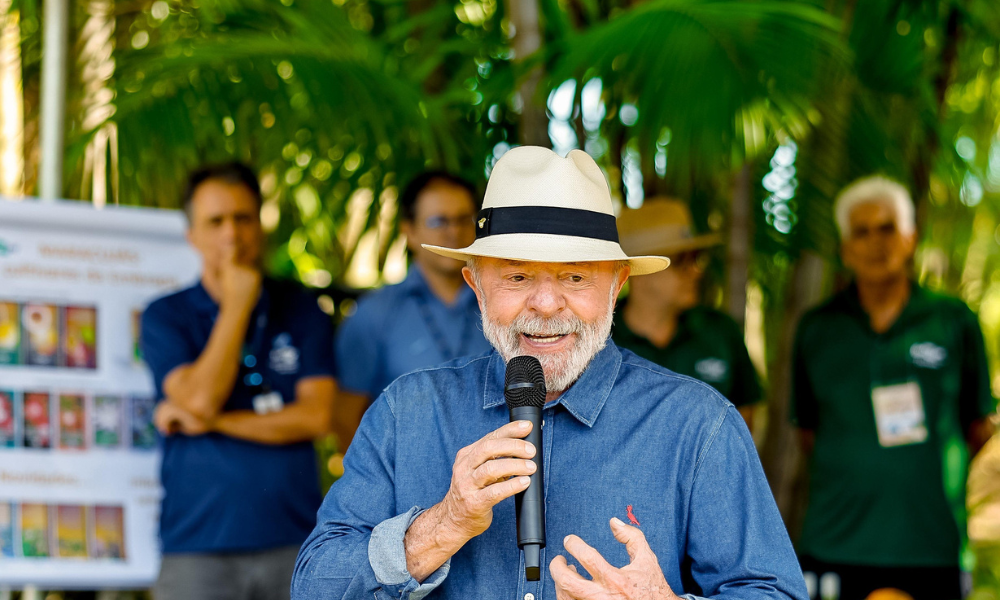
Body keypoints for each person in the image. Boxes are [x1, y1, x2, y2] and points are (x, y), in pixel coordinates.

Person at [292, 147, 807, 600]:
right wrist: (441, 525)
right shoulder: (407, 411)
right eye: (516, 276)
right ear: (476, 284)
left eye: (574, 277)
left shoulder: (699, 425)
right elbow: (314, 588)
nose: (543, 304)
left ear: (617, 284)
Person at [791, 176, 995, 599]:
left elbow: (978, 427)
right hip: (836, 544)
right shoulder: (817, 329)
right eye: (860, 232)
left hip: (930, 548)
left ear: (910, 238)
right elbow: (808, 432)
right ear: (845, 249)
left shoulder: (953, 321)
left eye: (887, 228)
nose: (875, 243)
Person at [141, 163, 337, 600]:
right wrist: (237, 305)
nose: (232, 233)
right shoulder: (165, 315)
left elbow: (316, 417)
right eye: (215, 221)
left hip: (297, 540)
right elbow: (198, 398)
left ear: (261, 225)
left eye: (243, 218)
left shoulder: (302, 307)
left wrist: (211, 423)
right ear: (191, 234)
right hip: (198, 545)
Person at [333, 171, 491, 446]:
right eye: (438, 221)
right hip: (407, 484)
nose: (453, 231)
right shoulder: (374, 314)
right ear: (409, 231)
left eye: (463, 219)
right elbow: (345, 419)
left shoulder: (503, 304)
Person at [614, 199, 761, 429]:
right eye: (682, 260)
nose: (696, 271)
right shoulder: (599, 341)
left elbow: (743, 425)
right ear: (638, 270)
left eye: (696, 257)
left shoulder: (721, 332)